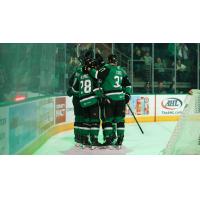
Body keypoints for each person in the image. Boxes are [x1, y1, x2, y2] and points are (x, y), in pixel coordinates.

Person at [88, 54, 132, 148]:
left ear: (109, 60)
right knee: (120, 120)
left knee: (108, 120)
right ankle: (120, 139)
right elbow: (128, 85)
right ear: (116, 61)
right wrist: (127, 95)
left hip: (110, 98)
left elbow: (97, 75)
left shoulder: (107, 68)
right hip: (120, 98)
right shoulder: (121, 70)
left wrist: (89, 69)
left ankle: (108, 139)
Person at [71, 58, 102, 148]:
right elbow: (97, 89)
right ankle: (94, 140)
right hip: (92, 101)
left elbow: (73, 87)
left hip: (81, 101)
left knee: (84, 121)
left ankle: (82, 139)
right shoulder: (92, 74)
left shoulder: (79, 74)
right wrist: (102, 96)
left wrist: (70, 92)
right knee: (95, 121)